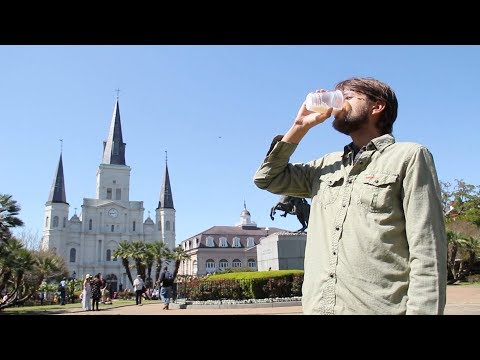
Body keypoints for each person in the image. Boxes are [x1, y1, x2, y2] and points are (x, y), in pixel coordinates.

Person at [253, 77, 447, 315]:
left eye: (347, 97)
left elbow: (426, 248)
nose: (337, 104)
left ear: (377, 106)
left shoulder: (409, 156)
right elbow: (267, 179)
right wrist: (299, 127)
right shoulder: (325, 165)